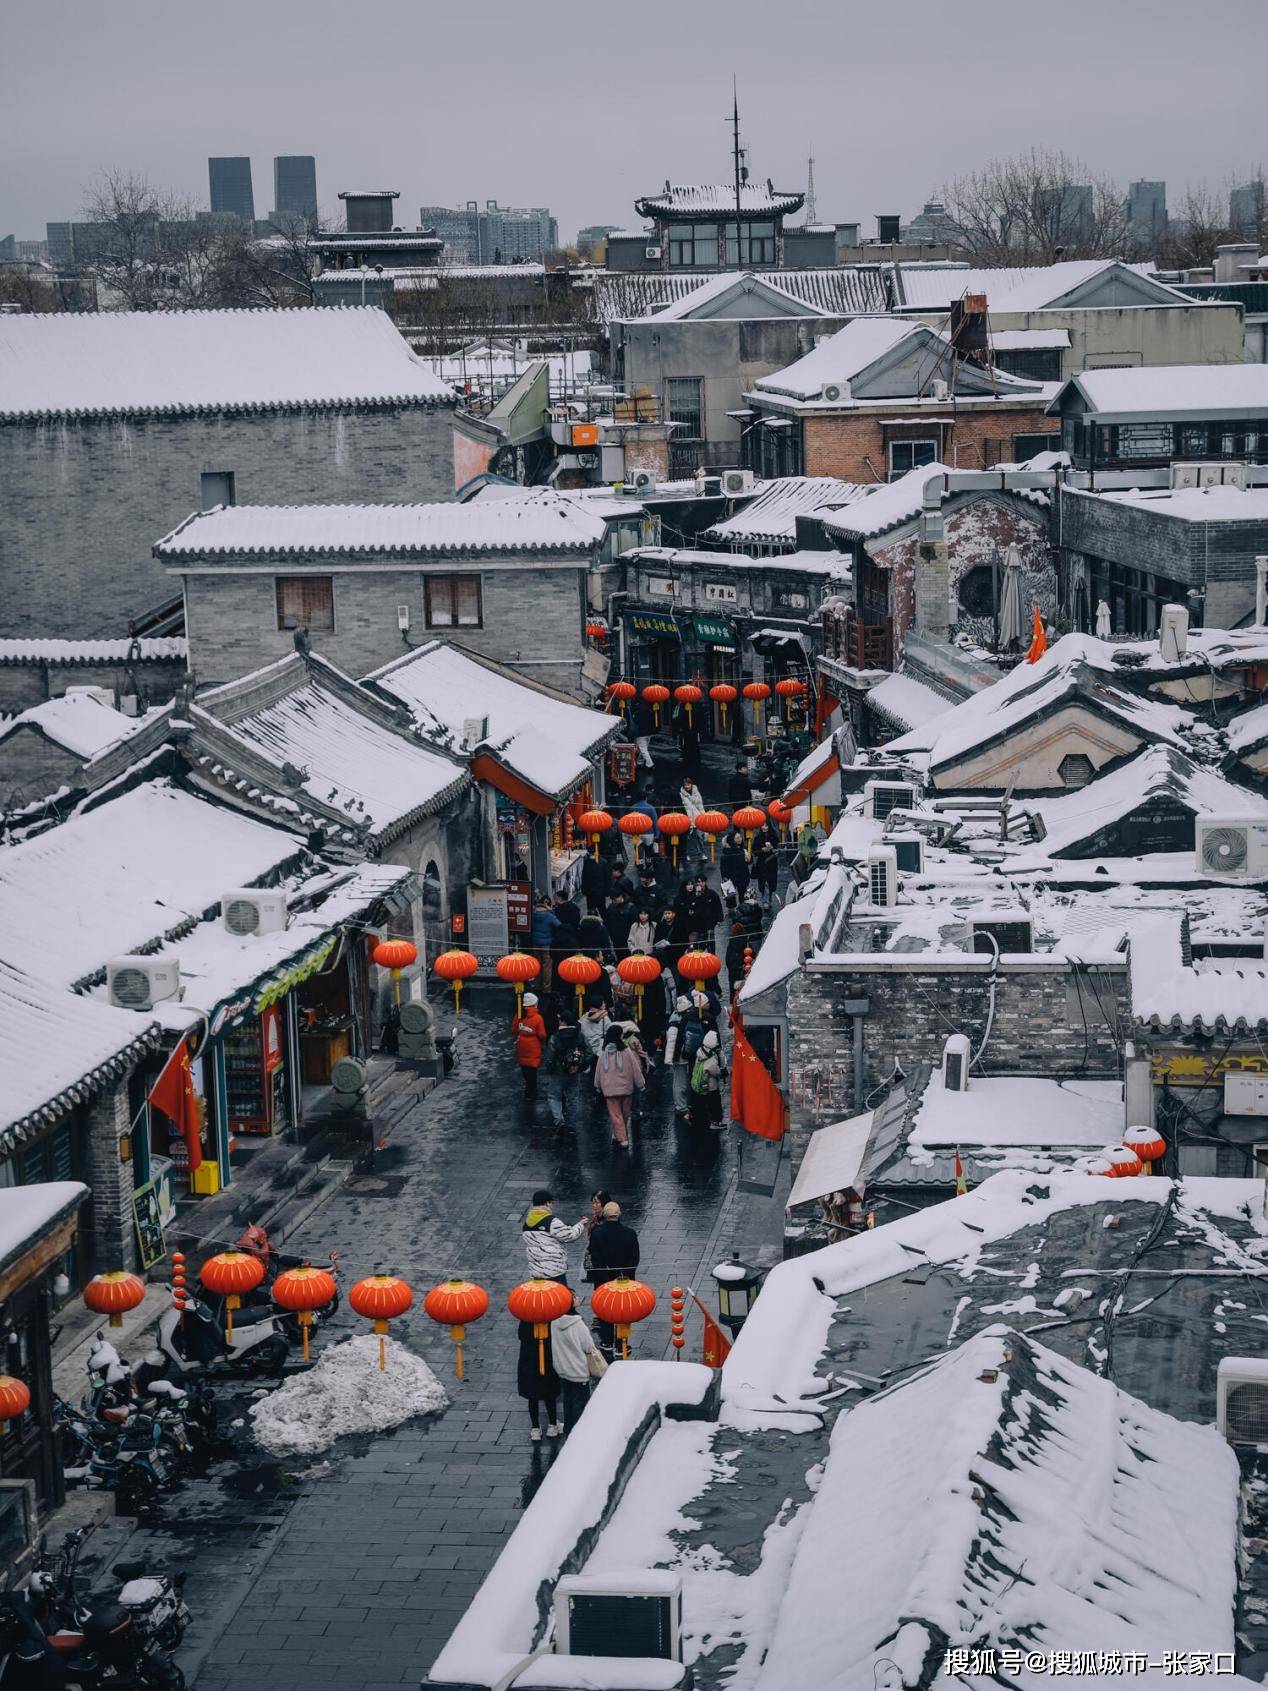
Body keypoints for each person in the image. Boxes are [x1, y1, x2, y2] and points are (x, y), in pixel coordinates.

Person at [587, 1201, 642, 1354]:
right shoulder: (629, 1233)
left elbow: (594, 1256)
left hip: (603, 1278)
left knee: (605, 1309)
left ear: (604, 1215)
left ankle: (607, 1341)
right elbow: (634, 1258)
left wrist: (604, 1273)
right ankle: (622, 1342)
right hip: (624, 1279)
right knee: (623, 1310)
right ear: (619, 1215)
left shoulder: (597, 1233)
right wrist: (623, 1273)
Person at [551, 1294, 606, 1431]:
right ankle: (579, 1432)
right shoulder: (577, 1324)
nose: (577, 1298)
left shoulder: (553, 1321)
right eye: (574, 1296)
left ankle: (568, 1430)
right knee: (580, 1405)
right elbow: (588, 1346)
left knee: (567, 1402)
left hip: (563, 1369)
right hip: (578, 1371)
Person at [594, 1025, 644, 1149]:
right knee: (625, 1113)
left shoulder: (604, 1052)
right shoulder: (626, 1051)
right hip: (627, 1088)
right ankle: (622, 1137)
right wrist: (641, 1084)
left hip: (609, 1089)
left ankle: (619, 1136)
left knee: (616, 1115)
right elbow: (635, 1069)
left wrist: (597, 1085)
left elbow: (598, 1071)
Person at [521, 1189, 588, 1282]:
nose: (552, 1206)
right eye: (551, 1203)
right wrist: (581, 1224)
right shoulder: (551, 1221)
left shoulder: (527, 1223)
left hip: (536, 1271)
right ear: (547, 1203)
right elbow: (570, 1235)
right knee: (560, 1295)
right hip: (554, 1270)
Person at [542, 1006, 585, 1128]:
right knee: (573, 1097)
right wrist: (580, 1067)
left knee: (554, 1095)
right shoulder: (580, 1036)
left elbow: (550, 1056)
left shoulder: (555, 1037)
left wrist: (549, 1069)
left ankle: (559, 1118)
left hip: (558, 1071)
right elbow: (588, 1053)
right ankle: (572, 1121)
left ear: (564, 1022)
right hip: (574, 1071)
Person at [518, 1317, 560, 1441]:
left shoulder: (525, 1319)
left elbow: (521, 1336)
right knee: (549, 1394)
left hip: (529, 1362)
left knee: (532, 1396)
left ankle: (535, 1428)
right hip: (547, 1361)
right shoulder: (549, 1318)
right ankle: (553, 1424)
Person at [664, 994, 697, 1121]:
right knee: (680, 1082)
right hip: (679, 1058)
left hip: (681, 1056)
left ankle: (682, 1104)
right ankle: (680, 1106)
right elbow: (672, 1044)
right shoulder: (676, 1025)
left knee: (681, 1081)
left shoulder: (676, 1022)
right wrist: (672, 1059)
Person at [689, 1028, 728, 1132]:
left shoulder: (700, 1051)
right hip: (710, 1086)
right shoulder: (711, 1059)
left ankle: (695, 1117)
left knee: (700, 1103)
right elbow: (718, 1072)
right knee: (714, 1104)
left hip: (698, 1083)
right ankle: (715, 1122)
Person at [512, 993, 548, 1103]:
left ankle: (528, 1089)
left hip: (521, 1045)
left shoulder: (518, 1015)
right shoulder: (538, 1018)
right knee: (533, 1070)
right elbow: (542, 1034)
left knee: (524, 1067)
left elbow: (513, 1029)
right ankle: (531, 1091)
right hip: (534, 1047)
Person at [530, 896, 561, 988]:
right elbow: (559, 925)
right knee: (546, 967)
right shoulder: (549, 915)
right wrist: (552, 911)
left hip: (535, 943)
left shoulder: (532, 914)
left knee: (537, 965)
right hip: (547, 944)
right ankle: (546, 988)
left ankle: (537, 986)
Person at [679, 776, 707, 862]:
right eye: (685, 785)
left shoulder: (696, 793)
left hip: (698, 818)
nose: (687, 786)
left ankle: (702, 854)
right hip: (688, 819)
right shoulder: (681, 795)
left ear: (691, 784)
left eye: (688, 784)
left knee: (700, 836)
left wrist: (704, 816)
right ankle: (687, 854)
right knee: (688, 838)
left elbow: (700, 806)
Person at [692, 874, 724, 949]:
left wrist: (719, 919)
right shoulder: (694, 894)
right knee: (700, 947)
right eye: (698, 882)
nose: (700, 884)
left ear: (705, 882)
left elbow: (718, 906)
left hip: (710, 922)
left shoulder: (711, 893)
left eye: (701, 882)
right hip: (698, 924)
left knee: (710, 945)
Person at [719, 829, 751, 900]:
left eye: (740, 837)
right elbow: (723, 866)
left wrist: (748, 857)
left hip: (742, 876)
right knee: (731, 898)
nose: (740, 839)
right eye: (737, 838)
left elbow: (748, 862)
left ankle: (742, 909)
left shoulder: (743, 848)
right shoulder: (727, 851)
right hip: (731, 877)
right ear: (732, 840)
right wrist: (724, 877)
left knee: (742, 896)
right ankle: (732, 910)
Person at [605, 888, 636, 956]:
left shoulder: (631, 907)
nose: (614, 901)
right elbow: (608, 921)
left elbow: (634, 923)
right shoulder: (611, 907)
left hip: (627, 936)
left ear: (621, 896)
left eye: (615, 899)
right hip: (615, 936)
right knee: (619, 954)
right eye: (612, 899)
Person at [725, 921, 750, 998]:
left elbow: (727, 959)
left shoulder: (731, 944)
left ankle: (733, 1005)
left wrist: (731, 968)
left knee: (733, 990)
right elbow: (752, 955)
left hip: (733, 971)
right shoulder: (746, 943)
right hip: (744, 969)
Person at [753, 835, 779, 909]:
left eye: (766, 825)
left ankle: (768, 899)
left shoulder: (774, 836)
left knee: (771, 882)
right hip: (762, 864)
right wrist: (761, 849)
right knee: (764, 883)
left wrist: (772, 848)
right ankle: (765, 901)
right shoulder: (758, 838)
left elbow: (778, 848)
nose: (765, 827)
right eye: (763, 826)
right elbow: (755, 851)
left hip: (772, 863)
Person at [581, 847, 608, 916]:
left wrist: (606, 891)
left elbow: (607, 878)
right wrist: (584, 889)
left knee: (602, 910)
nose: (591, 855)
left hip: (600, 892)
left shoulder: (603, 862)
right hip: (590, 892)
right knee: (591, 910)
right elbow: (584, 876)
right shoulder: (587, 862)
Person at [632, 695, 657, 768]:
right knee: (643, 748)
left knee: (643, 749)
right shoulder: (649, 709)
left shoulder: (638, 710)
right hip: (648, 732)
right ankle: (640, 762)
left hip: (641, 733)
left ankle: (650, 764)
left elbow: (636, 720)